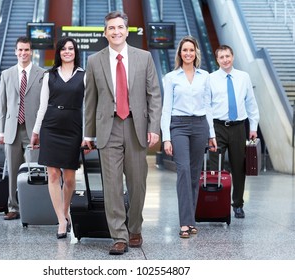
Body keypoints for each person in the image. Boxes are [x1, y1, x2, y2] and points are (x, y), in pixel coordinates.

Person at [82, 11, 162, 255]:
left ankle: (135, 227)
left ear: (127, 31)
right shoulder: (95, 61)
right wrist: (88, 134)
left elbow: (154, 96)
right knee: (112, 185)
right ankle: (119, 235)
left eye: (120, 27)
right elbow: (90, 100)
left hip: (137, 127)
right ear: (105, 33)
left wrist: (154, 128)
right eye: (111, 28)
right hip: (109, 128)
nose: (116, 32)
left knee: (137, 184)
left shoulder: (144, 58)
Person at [160, 35, 217, 238]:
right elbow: (166, 109)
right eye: (184, 50)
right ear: (180, 53)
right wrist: (166, 137)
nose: (188, 53)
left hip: (200, 125)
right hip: (179, 126)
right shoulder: (171, 77)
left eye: (191, 50)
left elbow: (209, 106)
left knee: (194, 174)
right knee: (183, 170)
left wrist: (211, 134)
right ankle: (185, 222)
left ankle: (190, 220)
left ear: (196, 53)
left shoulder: (205, 76)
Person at [30, 37, 85, 238]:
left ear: (75, 51)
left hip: (73, 127)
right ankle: (61, 220)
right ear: (59, 52)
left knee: (69, 177)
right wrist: (36, 132)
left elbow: (87, 108)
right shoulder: (49, 75)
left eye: (71, 48)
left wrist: (87, 135)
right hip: (50, 126)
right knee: (53, 175)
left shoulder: (83, 75)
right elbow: (42, 106)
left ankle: (66, 210)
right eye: (64, 49)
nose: (67, 52)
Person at [209, 45, 259, 219]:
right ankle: (216, 203)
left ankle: (237, 204)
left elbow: (251, 103)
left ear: (233, 56)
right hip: (217, 127)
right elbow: (207, 107)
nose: (225, 60)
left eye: (227, 56)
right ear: (217, 60)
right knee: (215, 167)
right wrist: (210, 132)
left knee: (239, 167)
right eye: (221, 57)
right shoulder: (211, 79)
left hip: (238, 127)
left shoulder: (243, 77)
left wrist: (253, 127)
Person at [0, 36, 44, 220]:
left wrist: (41, 131)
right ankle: (13, 207)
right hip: (12, 130)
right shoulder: (6, 74)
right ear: (15, 52)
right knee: (13, 170)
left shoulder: (42, 74)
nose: (23, 53)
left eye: (26, 50)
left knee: (34, 170)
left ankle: (34, 205)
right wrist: (1, 131)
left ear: (31, 51)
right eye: (20, 50)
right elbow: (2, 105)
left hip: (33, 130)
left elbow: (44, 104)